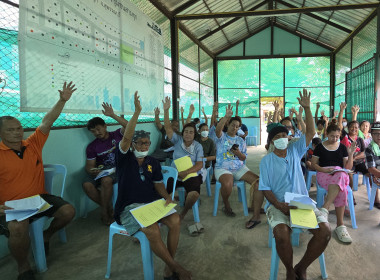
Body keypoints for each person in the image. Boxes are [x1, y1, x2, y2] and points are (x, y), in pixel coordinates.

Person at [0, 82, 77, 280]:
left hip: (38, 199)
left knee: (68, 211)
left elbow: (47, 121)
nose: (18, 132)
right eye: (11, 130)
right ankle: (23, 268)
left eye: (19, 128)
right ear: (1, 133)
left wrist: (62, 100)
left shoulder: (32, 144)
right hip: (10, 206)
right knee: (18, 227)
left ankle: (46, 235)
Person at [114, 92, 191, 280]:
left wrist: (166, 197)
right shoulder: (124, 158)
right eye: (140, 143)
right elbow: (126, 137)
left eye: (147, 143)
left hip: (152, 202)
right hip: (129, 207)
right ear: (132, 145)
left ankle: (168, 267)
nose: (144, 146)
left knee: (175, 221)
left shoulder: (153, 162)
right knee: (153, 230)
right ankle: (175, 267)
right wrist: (137, 112)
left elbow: (158, 185)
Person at [260, 89, 331, 280]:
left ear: (289, 137)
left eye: (285, 135)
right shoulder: (266, 161)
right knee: (282, 234)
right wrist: (279, 205)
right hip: (278, 204)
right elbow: (265, 188)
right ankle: (290, 271)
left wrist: (307, 108)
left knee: (324, 232)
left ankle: (301, 267)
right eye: (277, 137)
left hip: (301, 202)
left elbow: (310, 132)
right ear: (272, 142)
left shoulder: (294, 150)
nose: (282, 139)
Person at [214, 104, 263, 229]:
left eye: (237, 126)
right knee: (228, 184)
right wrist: (225, 117)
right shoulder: (221, 137)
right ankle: (226, 204)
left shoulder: (241, 140)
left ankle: (254, 206)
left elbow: (244, 158)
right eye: (232, 125)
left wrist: (238, 153)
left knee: (259, 182)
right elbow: (217, 130)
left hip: (239, 167)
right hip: (222, 167)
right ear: (228, 125)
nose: (234, 128)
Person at [82, 102, 128, 225]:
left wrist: (112, 115)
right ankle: (108, 208)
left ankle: (104, 213)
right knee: (87, 185)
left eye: (98, 129)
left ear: (105, 126)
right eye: (93, 131)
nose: (97, 132)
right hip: (102, 170)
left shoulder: (117, 134)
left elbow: (128, 126)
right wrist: (92, 171)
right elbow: (89, 166)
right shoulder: (92, 147)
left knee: (106, 180)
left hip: (119, 168)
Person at [163, 97, 204, 232]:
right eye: (186, 131)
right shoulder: (177, 140)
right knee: (160, 192)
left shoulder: (198, 146)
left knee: (194, 194)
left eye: (191, 132)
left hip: (190, 174)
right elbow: (168, 127)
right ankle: (160, 217)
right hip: (175, 174)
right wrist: (166, 110)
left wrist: (186, 172)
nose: (188, 134)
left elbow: (199, 165)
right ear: (183, 133)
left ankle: (183, 213)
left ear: (194, 134)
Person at [311, 123, 356, 243]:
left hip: (339, 173)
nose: (335, 139)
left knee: (341, 175)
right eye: (332, 136)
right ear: (327, 134)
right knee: (342, 189)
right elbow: (314, 164)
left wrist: (350, 154)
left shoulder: (342, 147)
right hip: (324, 173)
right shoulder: (320, 147)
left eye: (337, 136)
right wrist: (324, 169)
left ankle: (325, 208)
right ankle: (340, 226)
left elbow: (347, 167)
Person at [365, 122, 380, 209]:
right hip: (376, 175)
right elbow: (371, 169)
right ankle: (376, 200)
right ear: (372, 135)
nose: (379, 136)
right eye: (376, 134)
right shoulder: (369, 149)